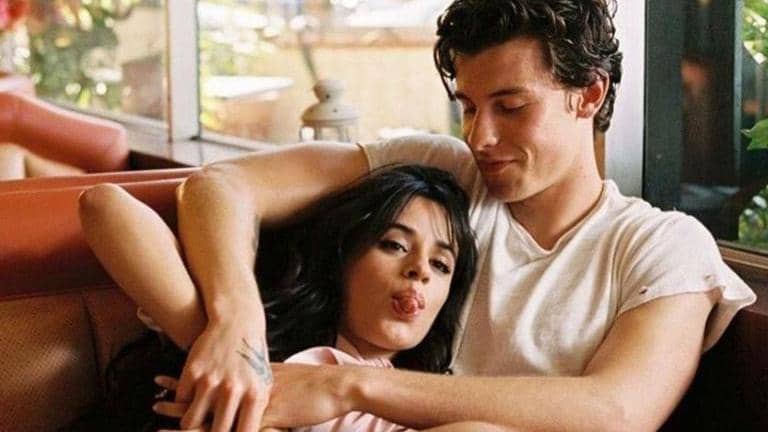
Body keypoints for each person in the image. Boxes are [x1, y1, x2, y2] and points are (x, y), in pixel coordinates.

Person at [130, 1, 756, 431]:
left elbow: (619, 411)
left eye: (511, 106)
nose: (481, 137)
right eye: (469, 106)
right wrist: (236, 323)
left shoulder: (661, 245)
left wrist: (347, 386)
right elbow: (220, 186)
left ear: (588, 94)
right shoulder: (442, 171)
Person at [80, 165, 509, 431]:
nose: (420, 270)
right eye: (394, 245)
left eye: (441, 265)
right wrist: (236, 337)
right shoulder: (253, 355)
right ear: (343, 259)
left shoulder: (413, 403)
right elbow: (104, 206)